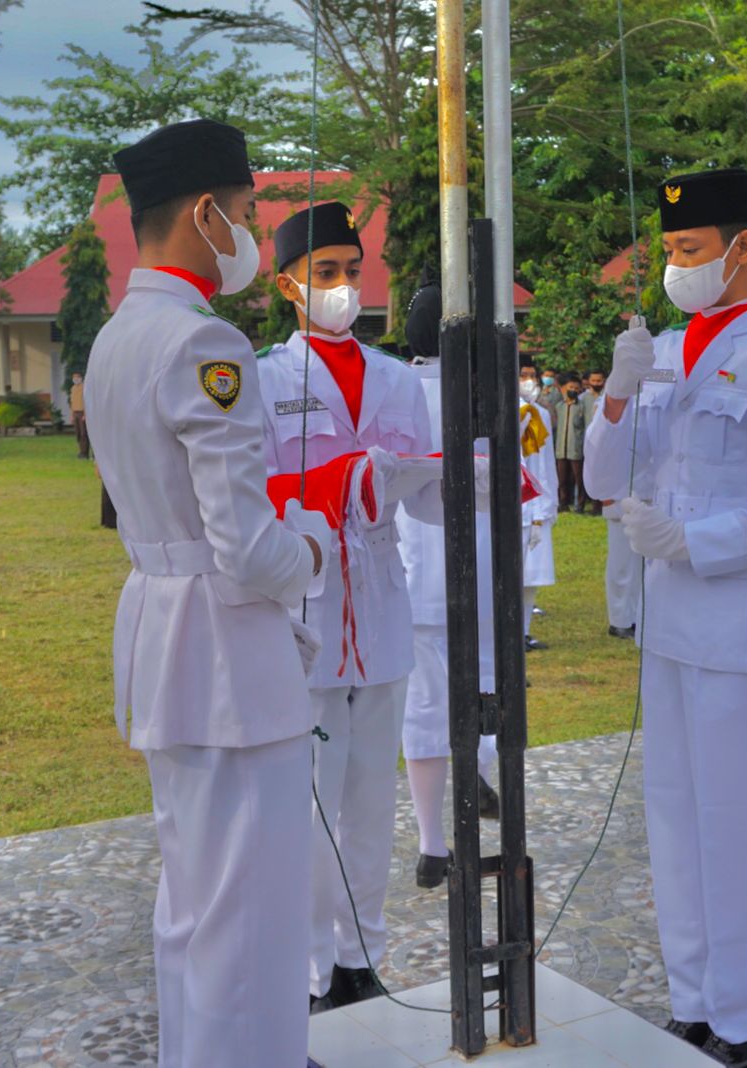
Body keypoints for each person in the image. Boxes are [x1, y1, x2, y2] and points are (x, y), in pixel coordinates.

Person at [585, 167, 747, 1068]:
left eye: (690, 250)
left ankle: (741, 1024)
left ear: (742, 248)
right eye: (669, 251)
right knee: (671, 817)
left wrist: (699, 541)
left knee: (731, 824)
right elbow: (600, 482)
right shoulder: (662, 350)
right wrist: (617, 397)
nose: (675, 266)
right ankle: (691, 1003)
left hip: (733, 628)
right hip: (666, 627)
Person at [87, 119, 329, 1068]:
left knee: (192, 902)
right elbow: (245, 544)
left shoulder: (120, 336)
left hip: (162, 632)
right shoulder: (202, 342)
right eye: (245, 210)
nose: (253, 229)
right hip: (226, 651)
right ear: (202, 213)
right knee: (250, 913)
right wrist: (309, 545)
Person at [252, 200, 442, 1018]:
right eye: (323, 273)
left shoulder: (398, 377)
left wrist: (442, 475)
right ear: (288, 283)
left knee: (371, 798)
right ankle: (311, 969)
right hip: (311, 608)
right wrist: (338, 487)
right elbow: (251, 495)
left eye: (351, 270)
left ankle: (364, 955)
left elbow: (428, 502)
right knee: (314, 800)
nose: (341, 287)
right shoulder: (263, 380)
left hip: (383, 605)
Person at [394, 281, 501, 892]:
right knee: (487, 685)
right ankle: (478, 777)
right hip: (481, 564)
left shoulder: (395, 390)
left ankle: (433, 842)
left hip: (413, 568)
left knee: (424, 707)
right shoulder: (486, 392)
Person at [522, 384, 558, 650]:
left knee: (529, 578)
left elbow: (541, 465)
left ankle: (521, 631)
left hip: (532, 502)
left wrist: (542, 509)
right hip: (521, 503)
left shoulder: (534, 414)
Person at [553, 371, 590, 513]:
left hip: (576, 449)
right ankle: (563, 504)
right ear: (563, 388)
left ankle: (580, 505)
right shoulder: (559, 406)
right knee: (561, 479)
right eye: (570, 387)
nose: (573, 390)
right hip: (561, 449)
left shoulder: (581, 407)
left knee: (579, 479)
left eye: (576, 388)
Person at [70, 371, 90, 459]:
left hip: (82, 412)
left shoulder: (84, 387)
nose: (76, 379)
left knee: (83, 433)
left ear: (81, 378)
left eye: (77, 377)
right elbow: (72, 402)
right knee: (77, 433)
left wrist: (85, 414)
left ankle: (85, 452)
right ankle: (81, 451)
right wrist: (72, 415)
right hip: (75, 412)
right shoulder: (73, 388)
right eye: (74, 378)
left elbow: (86, 402)